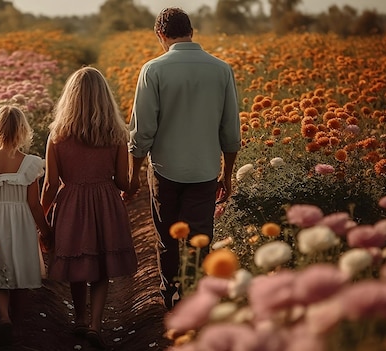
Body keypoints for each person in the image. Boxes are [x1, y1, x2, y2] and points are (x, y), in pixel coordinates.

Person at [125, 7, 241, 310]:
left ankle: (171, 298)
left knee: (167, 239)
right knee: (199, 238)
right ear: (191, 31)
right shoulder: (221, 69)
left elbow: (143, 131)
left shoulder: (153, 70)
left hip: (165, 170)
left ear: (160, 34)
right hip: (204, 170)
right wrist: (227, 175)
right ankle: (196, 296)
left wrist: (134, 173)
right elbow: (230, 131)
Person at [41, 66, 138, 349]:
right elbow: (122, 181)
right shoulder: (117, 134)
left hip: (71, 203)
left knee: (78, 262)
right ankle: (96, 324)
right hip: (105, 203)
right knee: (101, 266)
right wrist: (134, 184)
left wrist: (41, 221)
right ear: (104, 98)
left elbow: (49, 184)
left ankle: (80, 320)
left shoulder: (57, 135)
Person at [0, 105, 53, 349]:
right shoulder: (29, 163)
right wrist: (46, 231)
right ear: (23, 132)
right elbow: (34, 204)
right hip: (20, 222)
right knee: (20, 272)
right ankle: (17, 324)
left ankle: (3, 316)